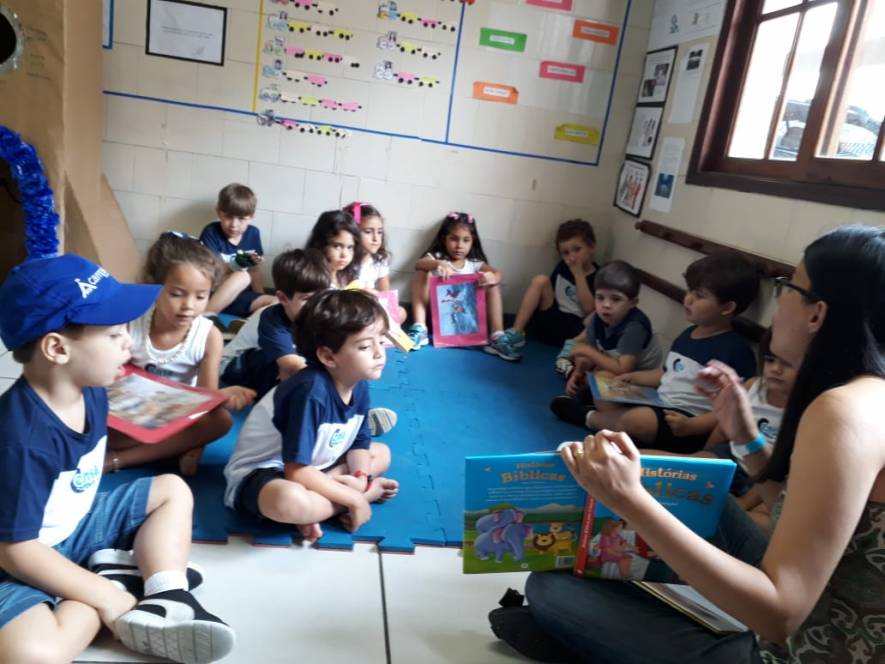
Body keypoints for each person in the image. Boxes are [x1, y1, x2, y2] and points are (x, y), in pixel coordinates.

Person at [491, 225, 885, 664]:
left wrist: (631, 500)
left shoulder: (842, 412)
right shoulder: (866, 394)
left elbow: (780, 615)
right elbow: (798, 517)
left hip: (792, 651)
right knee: (708, 497)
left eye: (788, 286)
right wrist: (744, 436)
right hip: (818, 602)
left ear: (817, 314)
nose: (779, 301)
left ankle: (582, 638)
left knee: (550, 588)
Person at [0, 254, 235, 664]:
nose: (128, 342)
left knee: (172, 490)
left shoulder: (91, 389)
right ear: (57, 348)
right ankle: (113, 581)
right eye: (113, 334)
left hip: (78, 526)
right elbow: (15, 550)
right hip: (24, 558)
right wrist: (106, 597)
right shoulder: (22, 440)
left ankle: (166, 594)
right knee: (31, 655)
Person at [223, 290, 400, 541]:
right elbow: (295, 472)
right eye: (364, 346)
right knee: (288, 501)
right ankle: (343, 500)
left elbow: (359, 444)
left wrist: (361, 478)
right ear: (328, 356)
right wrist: (357, 498)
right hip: (266, 472)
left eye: (381, 341)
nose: (379, 353)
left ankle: (325, 499)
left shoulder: (357, 384)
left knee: (381, 453)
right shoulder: (309, 392)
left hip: (315, 464)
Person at [107, 233, 255, 475]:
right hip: (131, 413)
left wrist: (223, 397)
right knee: (91, 415)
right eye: (176, 294)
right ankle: (178, 447)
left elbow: (207, 399)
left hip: (177, 415)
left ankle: (119, 459)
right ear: (154, 286)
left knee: (221, 421)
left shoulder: (208, 336)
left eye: (201, 296)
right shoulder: (133, 322)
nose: (189, 306)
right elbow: (110, 376)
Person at [585, 252, 758, 453]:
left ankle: (590, 418)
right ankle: (619, 428)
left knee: (638, 420)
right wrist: (632, 378)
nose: (688, 299)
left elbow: (733, 410)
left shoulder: (736, 351)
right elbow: (666, 373)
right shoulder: (687, 335)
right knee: (604, 379)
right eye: (690, 290)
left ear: (727, 307)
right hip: (660, 404)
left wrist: (691, 426)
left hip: (687, 423)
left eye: (699, 295)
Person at [549, 260, 663, 426]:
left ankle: (604, 418)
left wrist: (587, 352)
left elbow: (623, 369)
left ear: (632, 303)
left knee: (601, 378)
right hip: (616, 369)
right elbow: (589, 353)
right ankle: (592, 402)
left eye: (616, 299)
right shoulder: (597, 318)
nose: (606, 305)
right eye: (600, 298)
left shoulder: (635, 327)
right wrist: (578, 372)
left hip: (640, 380)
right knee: (587, 367)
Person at [220, 248, 330, 399]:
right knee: (285, 365)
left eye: (322, 297)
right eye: (307, 299)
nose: (317, 305)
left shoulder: (318, 311)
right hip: (234, 366)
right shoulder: (272, 319)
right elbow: (293, 367)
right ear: (283, 298)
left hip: (275, 355)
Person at [408, 211, 516, 360]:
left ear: (473, 241)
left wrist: (492, 277)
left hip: (467, 318)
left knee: (493, 283)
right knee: (421, 272)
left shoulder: (474, 264)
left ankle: (497, 336)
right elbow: (419, 263)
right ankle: (420, 328)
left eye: (466, 240)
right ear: (444, 238)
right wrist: (438, 264)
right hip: (438, 317)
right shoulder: (438, 257)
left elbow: (497, 274)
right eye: (454, 239)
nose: (459, 246)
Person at [501, 219, 598, 354]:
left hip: (575, 331)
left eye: (577, 250)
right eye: (566, 253)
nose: (572, 257)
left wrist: (579, 275)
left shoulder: (599, 276)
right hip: (551, 322)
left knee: (595, 315)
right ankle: (516, 332)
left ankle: (572, 349)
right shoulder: (563, 267)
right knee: (540, 280)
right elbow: (550, 294)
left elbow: (589, 310)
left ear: (592, 247)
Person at [200, 183, 276, 317]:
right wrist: (236, 264)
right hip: (213, 293)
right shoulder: (211, 232)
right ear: (219, 213)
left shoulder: (253, 233)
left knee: (274, 302)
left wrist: (259, 296)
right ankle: (206, 316)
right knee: (242, 276)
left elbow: (254, 270)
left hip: (238, 296)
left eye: (241, 219)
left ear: (251, 217)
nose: (234, 225)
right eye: (228, 217)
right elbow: (210, 273)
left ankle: (244, 325)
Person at [348, 201, 408, 323]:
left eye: (379, 232)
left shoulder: (380, 261)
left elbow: (386, 296)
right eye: (368, 232)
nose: (376, 239)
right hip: (349, 308)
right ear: (352, 233)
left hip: (370, 307)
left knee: (401, 312)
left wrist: (373, 294)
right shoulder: (345, 260)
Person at [305, 209, 365, 289]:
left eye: (350, 247)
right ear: (320, 244)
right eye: (337, 246)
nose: (344, 255)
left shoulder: (346, 277)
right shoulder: (311, 280)